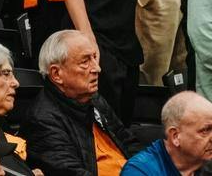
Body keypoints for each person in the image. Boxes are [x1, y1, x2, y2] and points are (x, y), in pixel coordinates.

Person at [17, 29, 133, 176]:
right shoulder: (42, 120)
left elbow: (128, 142)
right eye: (85, 62)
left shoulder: (94, 98)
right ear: (56, 74)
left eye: (94, 58)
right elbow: (70, 172)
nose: (97, 68)